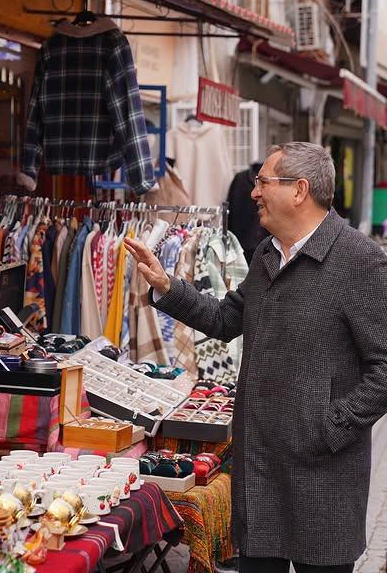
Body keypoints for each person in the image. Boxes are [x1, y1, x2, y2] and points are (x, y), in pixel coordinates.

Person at [125, 141, 387, 573]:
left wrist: (330, 427)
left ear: (299, 190)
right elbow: (226, 318)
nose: (253, 193)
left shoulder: (359, 261)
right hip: (261, 471)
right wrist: (167, 286)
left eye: (263, 182)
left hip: (323, 478)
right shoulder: (267, 253)